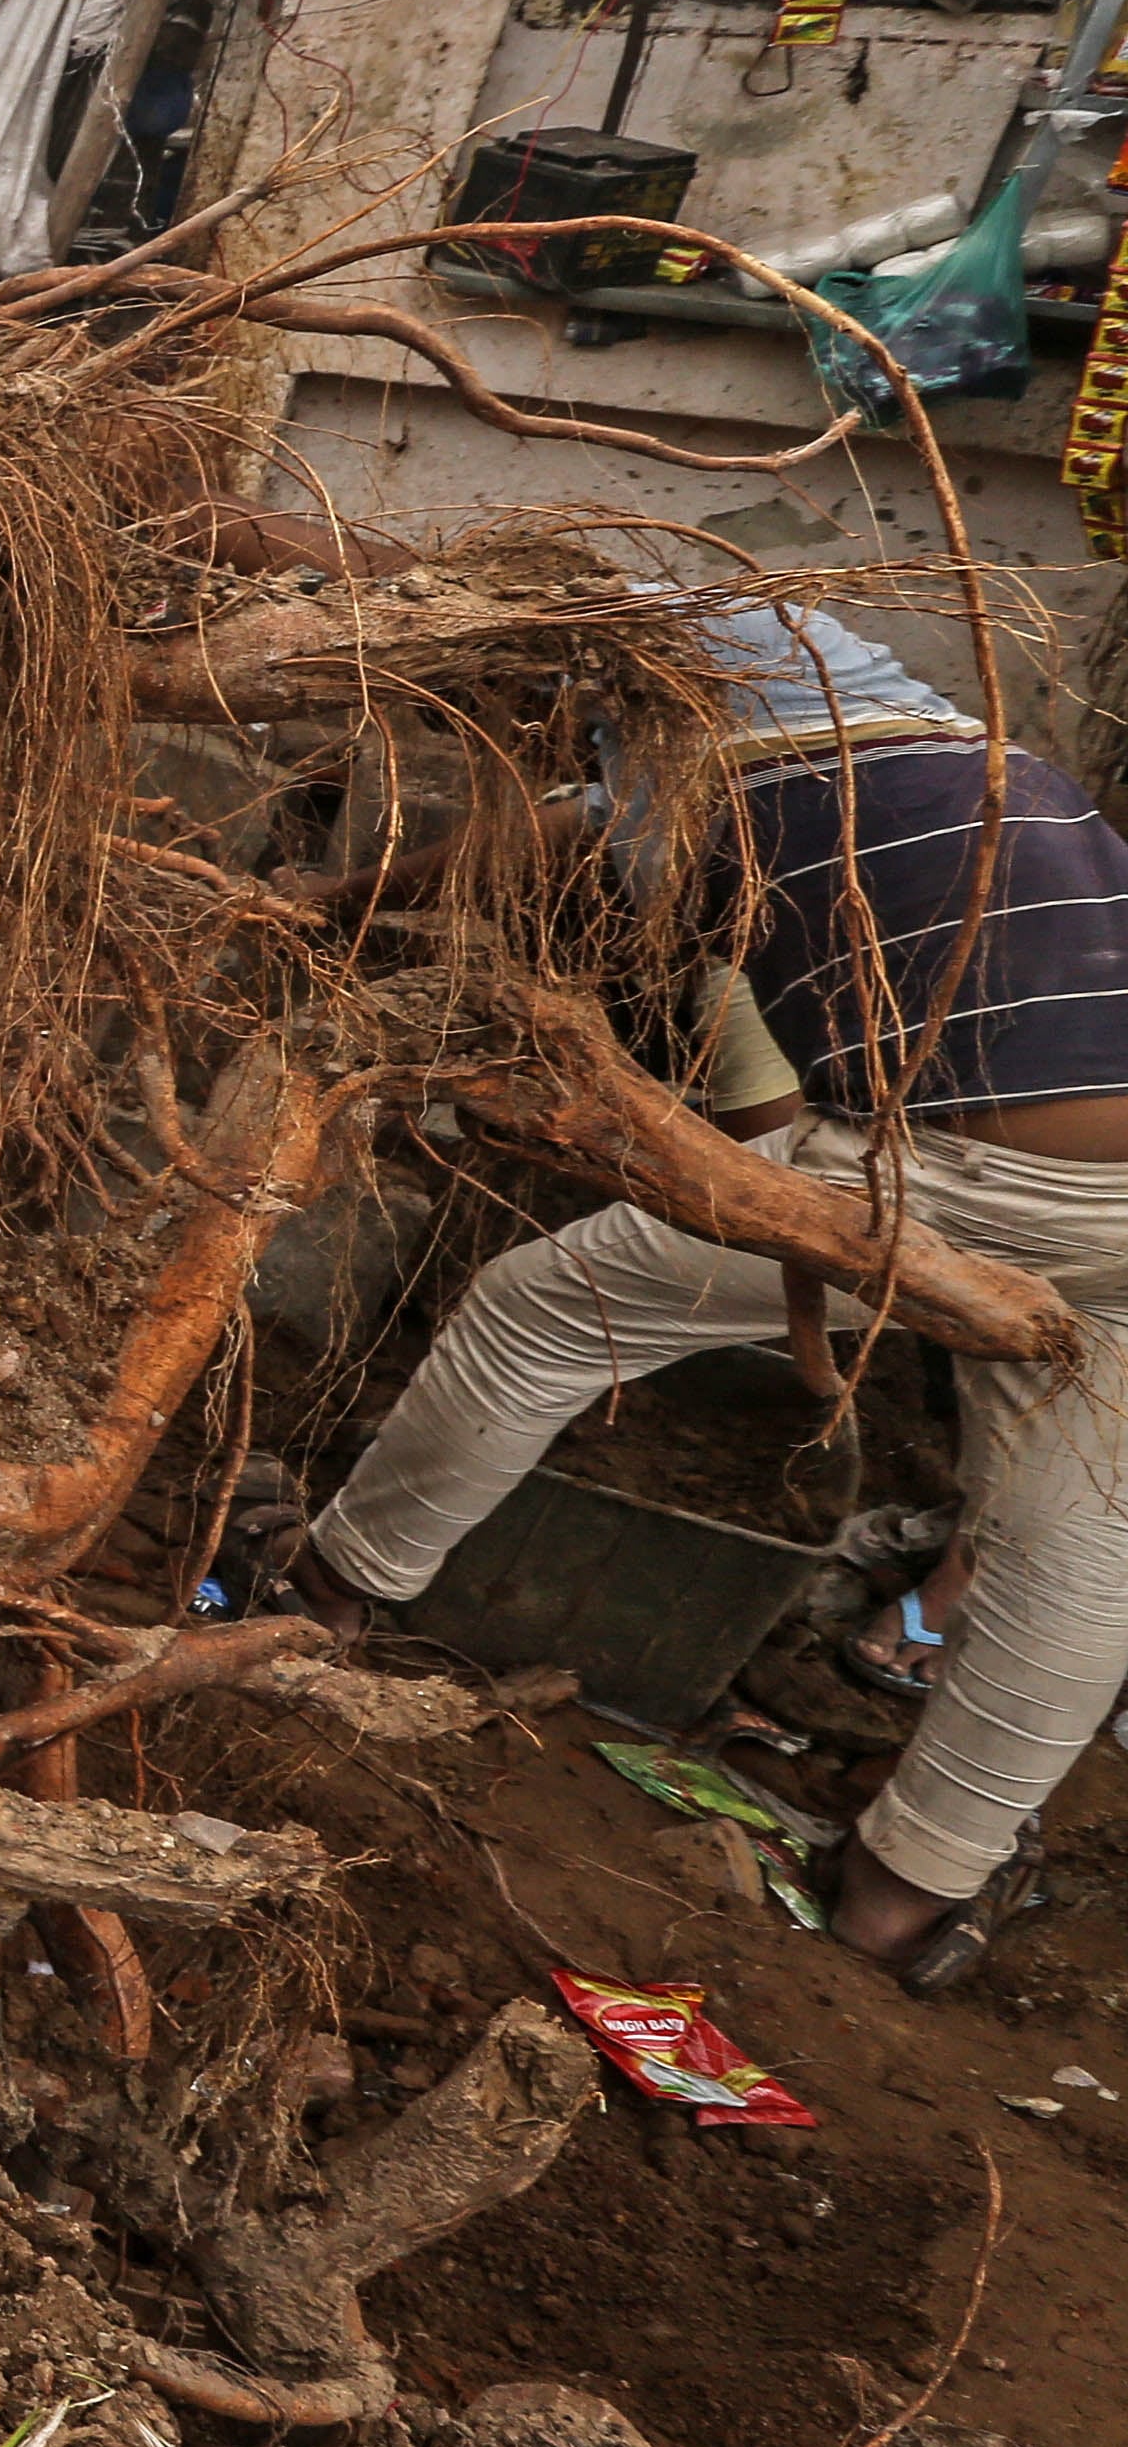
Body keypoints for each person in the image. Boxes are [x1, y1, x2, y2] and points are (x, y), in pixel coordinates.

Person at [249, 576, 1128, 1984]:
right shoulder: (942, 764)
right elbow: (576, 847)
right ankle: (909, 1894)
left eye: (576, 711)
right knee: (1083, 1536)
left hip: (978, 1166)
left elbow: (576, 750)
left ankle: (329, 1597)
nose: (569, 740)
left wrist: (314, 902)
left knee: (544, 1307)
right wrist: (329, 902)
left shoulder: (718, 751)